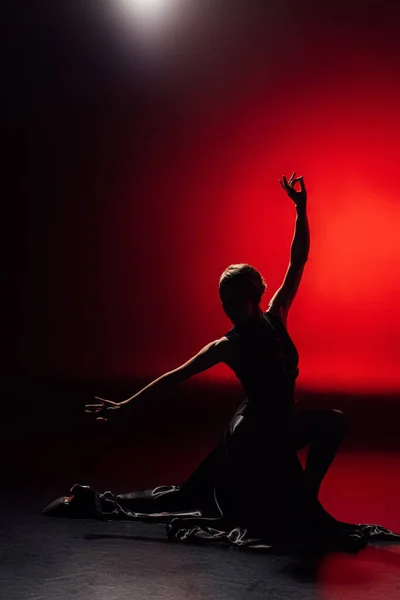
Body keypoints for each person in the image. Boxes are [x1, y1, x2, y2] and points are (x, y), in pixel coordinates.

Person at [42, 173, 400, 553]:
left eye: (234, 301)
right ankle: (96, 502)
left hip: (278, 424)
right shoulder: (227, 345)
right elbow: (175, 376)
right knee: (194, 498)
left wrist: (301, 209)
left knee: (334, 422)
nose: (228, 310)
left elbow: (298, 260)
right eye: (223, 303)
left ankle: (305, 502)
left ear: (255, 296)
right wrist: (126, 405)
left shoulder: (277, 313)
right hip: (254, 434)